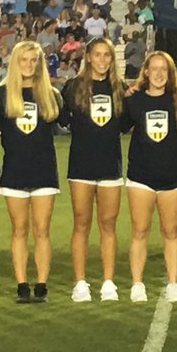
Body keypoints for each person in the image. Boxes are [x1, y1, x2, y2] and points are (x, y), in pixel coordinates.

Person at [58, 37, 125, 302]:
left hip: (110, 164)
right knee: (81, 224)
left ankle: (108, 281)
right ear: (87, 56)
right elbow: (62, 118)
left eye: (107, 55)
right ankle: (80, 282)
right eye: (97, 55)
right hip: (81, 164)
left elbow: (124, 123)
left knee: (108, 224)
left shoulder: (119, 87)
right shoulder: (73, 87)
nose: (102, 60)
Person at [0, 41, 61, 303]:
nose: (29, 65)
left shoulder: (51, 95)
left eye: (34, 60)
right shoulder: (1, 96)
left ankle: (41, 285)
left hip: (44, 171)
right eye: (24, 60)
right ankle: (22, 285)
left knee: (42, 230)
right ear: (15, 62)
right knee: (19, 230)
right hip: (14, 171)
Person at [121, 50, 177, 303]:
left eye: (164, 69)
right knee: (140, 231)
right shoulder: (134, 101)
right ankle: (137, 283)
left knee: (171, 232)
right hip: (141, 175)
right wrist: (125, 93)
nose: (159, 74)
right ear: (146, 72)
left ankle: (173, 282)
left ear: (170, 73)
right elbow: (118, 126)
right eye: (155, 68)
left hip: (172, 176)